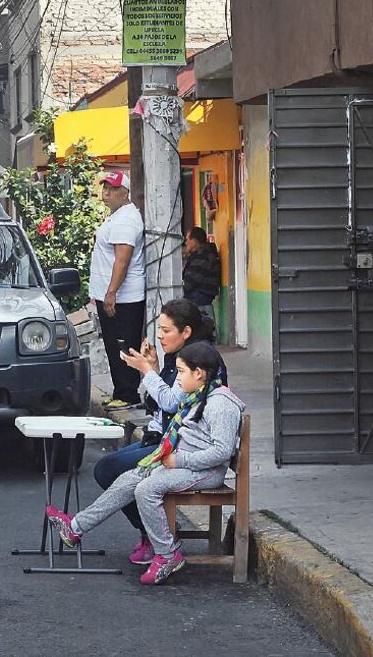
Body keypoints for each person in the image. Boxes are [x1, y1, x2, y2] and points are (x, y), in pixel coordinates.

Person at [47, 342, 245, 585]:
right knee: (129, 478)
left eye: (182, 372)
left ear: (199, 374)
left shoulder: (221, 403)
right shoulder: (200, 395)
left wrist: (179, 459)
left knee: (146, 489)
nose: (178, 378)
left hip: (204, 471)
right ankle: (75, 528)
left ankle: (167, 554)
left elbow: (222, 452)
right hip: (185, 464)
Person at [93, 299, 228, 565]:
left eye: (166, 331)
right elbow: (158, 404)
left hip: (184, 445)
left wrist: (145, 371)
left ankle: (155, 536)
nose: (159, 335)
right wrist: (154, 369)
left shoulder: (198, 359)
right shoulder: (177, 355)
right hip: (165, 437)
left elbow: (171, 402)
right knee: (107, 468)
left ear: (186, 332)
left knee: (109, 470)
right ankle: (152, 533)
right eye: (160, 329)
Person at [89, 170, 146, 409]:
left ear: (125, 193)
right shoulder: (116, 217)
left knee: (124, 345)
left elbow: (122, 260)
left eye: (111, 189)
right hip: (111, 296)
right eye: (104, 188)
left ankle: (129, 394)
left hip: (123, 298)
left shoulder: (126, 220)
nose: (106, 193)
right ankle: (120, 391)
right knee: (114, 345)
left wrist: (111, 293)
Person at [182, 226, 221, 320]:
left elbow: (191, 281)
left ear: (194, 241)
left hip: (200, 297)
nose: (186, 243)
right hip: (202, 296)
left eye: (187, 240)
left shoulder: (202, 256)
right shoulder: (204, 254)